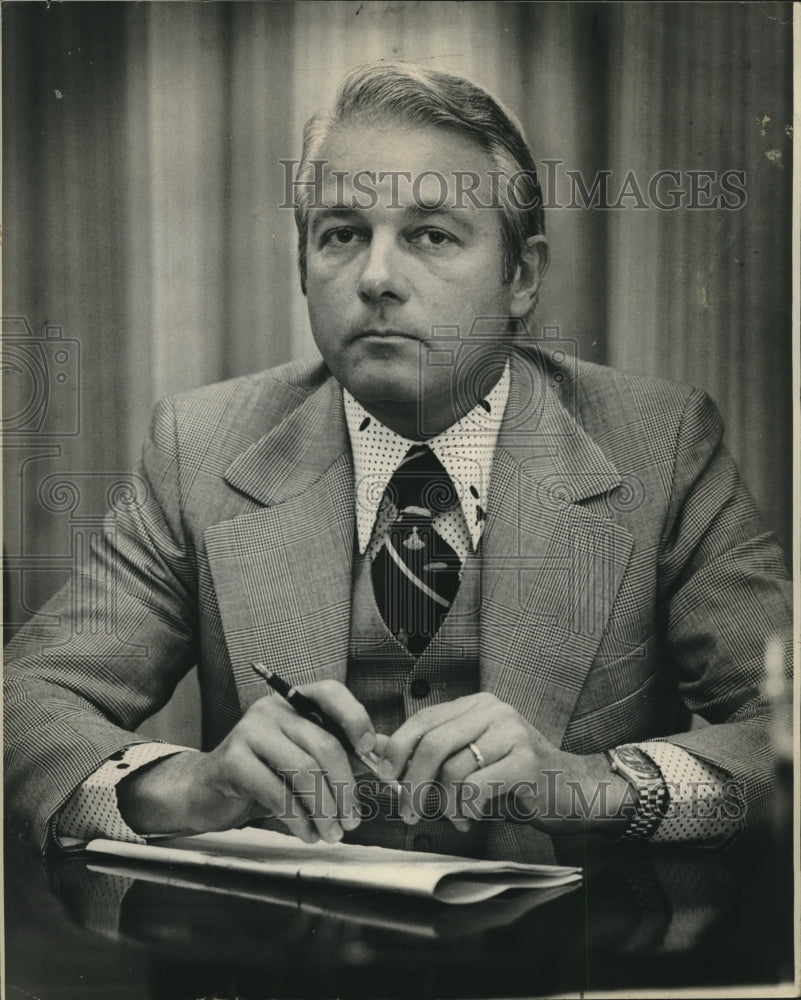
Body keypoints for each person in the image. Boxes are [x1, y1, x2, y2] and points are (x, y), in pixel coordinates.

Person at [4, 62, 792, 861]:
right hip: (291, 969)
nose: (376, 278)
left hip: (564, 969)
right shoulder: (200, 449)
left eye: (430, 235)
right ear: (301, 265)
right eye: (342, 234)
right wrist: (184, 786)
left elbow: (786, 727)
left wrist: (593, 783)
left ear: (520, 276)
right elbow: (24, 700)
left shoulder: (657, 446)